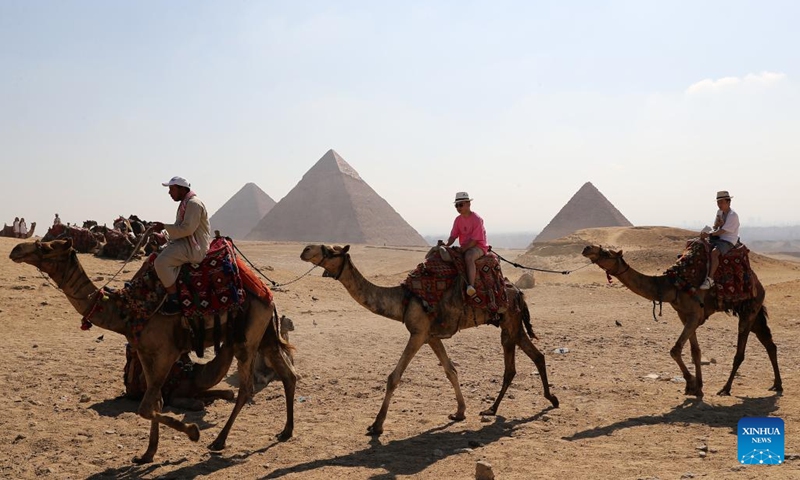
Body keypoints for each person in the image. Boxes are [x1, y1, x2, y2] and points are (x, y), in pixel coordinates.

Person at [151, 176, 211, 315]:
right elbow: (180, 228)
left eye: (172, 189)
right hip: (185, 243)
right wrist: (164, 235)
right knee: (153, 257)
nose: (169, 192)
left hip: (193, 248)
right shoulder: (186, 203)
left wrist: (163, 226)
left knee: (160, 262)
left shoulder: (194, 204)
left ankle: (174, 300)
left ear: (182, 189)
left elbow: (187, 229)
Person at [442, 191, 488, 297]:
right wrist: (447, 245)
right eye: (456, 205)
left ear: (468, 204)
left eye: (461, 204)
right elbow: (453, 235)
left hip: (478, 246)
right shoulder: (458, 220)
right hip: (465, 246)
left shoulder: (477, 219)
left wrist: (463, 249)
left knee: (469, 256)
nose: (458, 207)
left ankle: (470, 286)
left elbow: (475, 240)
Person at [699, 190, 740, 290]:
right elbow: (716, 227)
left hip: (728, 240)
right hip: (718, 238)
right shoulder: (719, 212)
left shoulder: (733, 215)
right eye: (718, 202)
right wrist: (716, 225)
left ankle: (710, 279)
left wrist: (709, 233)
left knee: (714, 253)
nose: (719, 204)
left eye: (721, 202)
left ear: (728, 202)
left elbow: (723, 231)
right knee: (697, 244)